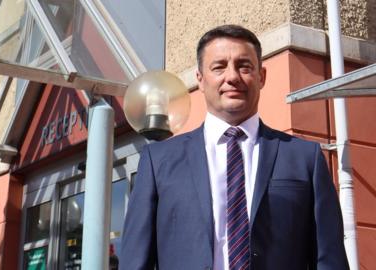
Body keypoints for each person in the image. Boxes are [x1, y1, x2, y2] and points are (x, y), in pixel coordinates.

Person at [120, 24, 349, 270]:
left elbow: (329, 259)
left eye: (244, 66)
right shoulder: (158, 161)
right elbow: (135, 260)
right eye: (219, 67)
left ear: (261, 77)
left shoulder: (305, 158)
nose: (232, 77)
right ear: (200, 79)